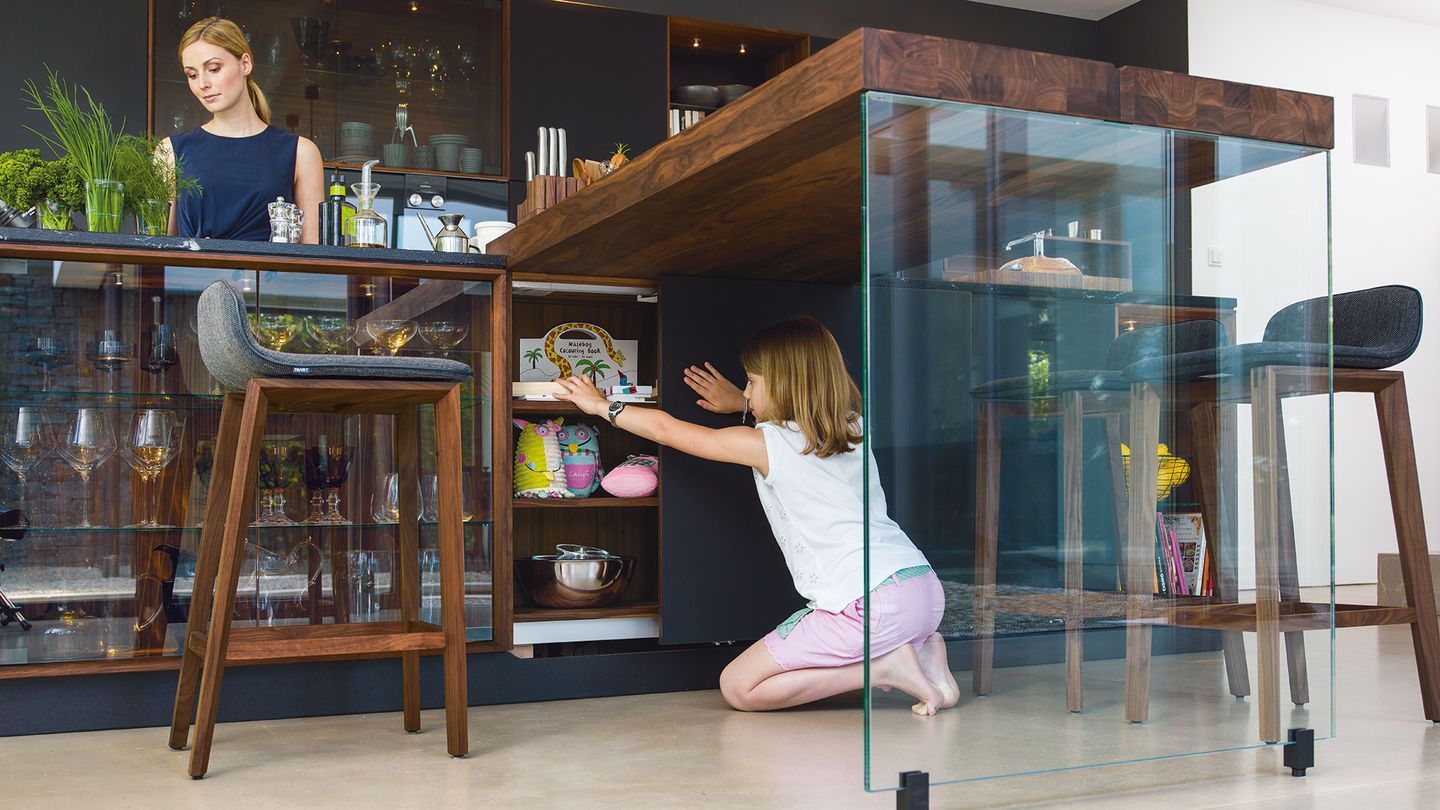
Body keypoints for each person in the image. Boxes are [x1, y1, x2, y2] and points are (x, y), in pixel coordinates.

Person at [554, 317, 959, 715]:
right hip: (919, 588)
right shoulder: (854, 427)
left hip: (866, 605)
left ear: (781, 386)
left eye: (751, 381)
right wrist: (744, 403)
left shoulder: (766, 444)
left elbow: (668, 430)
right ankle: (924, 655)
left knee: (740, 687)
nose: (745, 388)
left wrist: (600, 405)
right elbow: (799, 419)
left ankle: (884, 667)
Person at [160, 17, 323, 243]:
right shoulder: (170, 151)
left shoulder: (301, 152)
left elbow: (314, 259)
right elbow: (156, 252)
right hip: (194, 277)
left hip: (269, 277)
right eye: (192, 75)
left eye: (214, 69)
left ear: (245, 64)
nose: (202, 84)